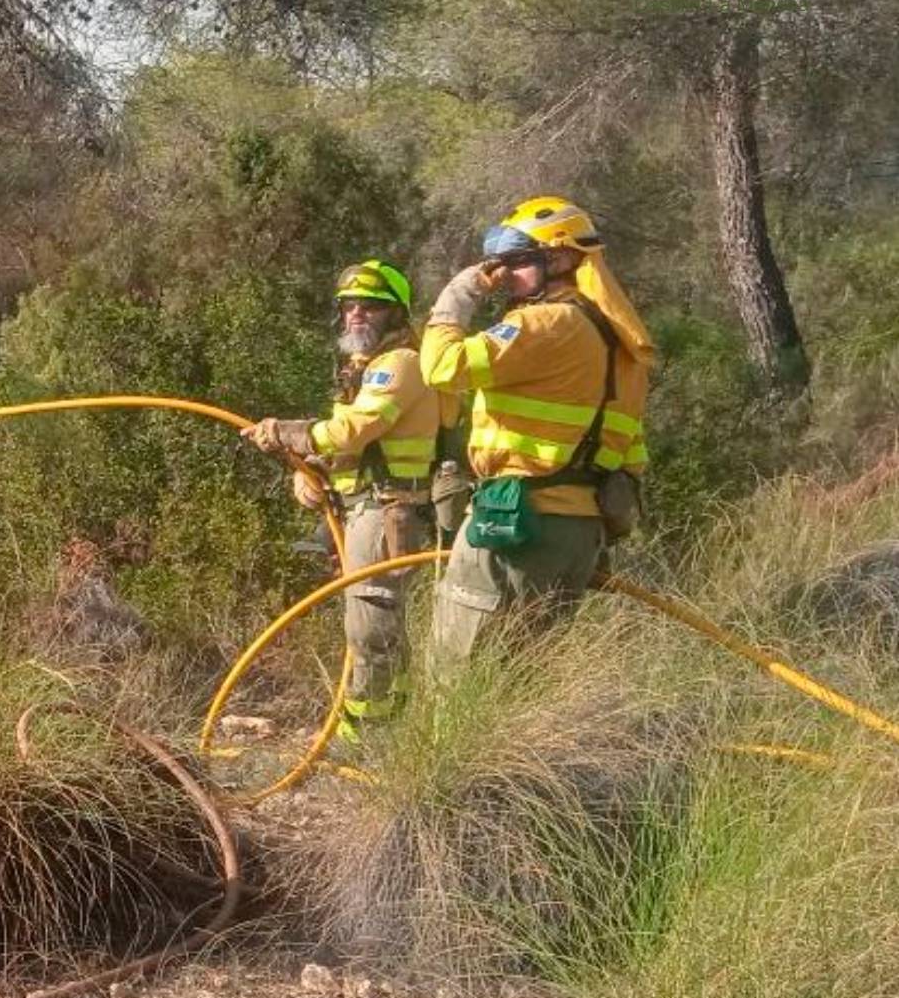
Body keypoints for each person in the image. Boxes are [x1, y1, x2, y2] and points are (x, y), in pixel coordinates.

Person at [419, 196, 653, 663]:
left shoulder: (545, 323)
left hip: (518, 521)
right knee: (527, 672)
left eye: (518, 262)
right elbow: (630, 450)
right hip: (578, 530)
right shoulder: (619, 339)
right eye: (499, 263)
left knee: (458, 666)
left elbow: (441, 367)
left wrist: (458, 296)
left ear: (563, 258)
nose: (504, 274)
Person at [241, 260, 449, 740]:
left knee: (372, 629)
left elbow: (353, 431)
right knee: (365, 627)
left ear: (395, 314)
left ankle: (368, 739)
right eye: (349, 306)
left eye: (370, 306)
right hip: (358, 509)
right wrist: (312, 475)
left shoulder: (403, 364)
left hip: (384, 514)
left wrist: (286, 433)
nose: (356, 314)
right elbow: (346, 448)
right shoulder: (362, 370)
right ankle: (377, 729)